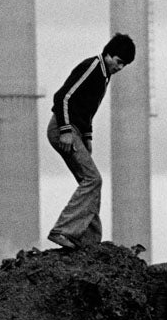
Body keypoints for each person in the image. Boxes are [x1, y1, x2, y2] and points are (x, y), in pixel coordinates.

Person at [45, 33, 135, 250]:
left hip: (75, 130)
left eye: (124, 65)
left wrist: (88, 137)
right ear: (108, 54)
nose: (120, 68)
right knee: (93, 180)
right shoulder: (93, 67)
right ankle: (63, 230)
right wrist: (66, 130)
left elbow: (87, 110)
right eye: (118, 62)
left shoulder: (104, 75)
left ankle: (88, 241)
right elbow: (63, 96)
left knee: (90, 182)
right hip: (62, 128)